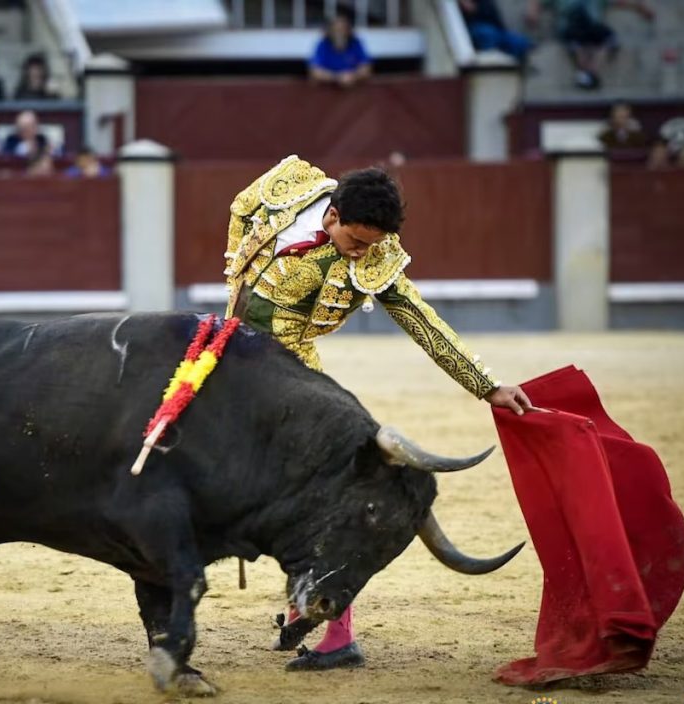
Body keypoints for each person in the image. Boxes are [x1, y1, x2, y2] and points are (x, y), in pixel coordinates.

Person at [223, 155, 532, 671]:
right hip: (230, 350)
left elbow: (422, 323)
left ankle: (336, 632)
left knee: (317, 493)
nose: (366, 252)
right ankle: (300, 602)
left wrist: (487, 386)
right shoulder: (287, 186)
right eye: (358, 241)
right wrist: (234, 281)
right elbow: (240, 210)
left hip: (292, 372)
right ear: (332, 215)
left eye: (374, 244)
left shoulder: (378, 259)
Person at [527, 0, 655, 90]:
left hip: (592, 27)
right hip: (571, 25)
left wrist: (639, 7)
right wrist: (533, 12)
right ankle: (584, 73)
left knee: (609, 39)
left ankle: (591, 72)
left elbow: (620, 2)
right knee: (575, 39)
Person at [308, 7, 371, 88]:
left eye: (343, 29)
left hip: (353, 89)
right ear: (329, 30)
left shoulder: (356, 43)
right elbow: (314, 71)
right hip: (328, 90)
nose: (339, 32)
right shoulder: (323, 44)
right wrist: (337, 77)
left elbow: (366, 68)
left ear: (349, 30)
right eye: (336, 29)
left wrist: (353, 76)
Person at [458, 0, 533, 63]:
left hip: (496, 28)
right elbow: (469, 8)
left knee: (520, 42)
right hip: (475, 27)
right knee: (488, 35)